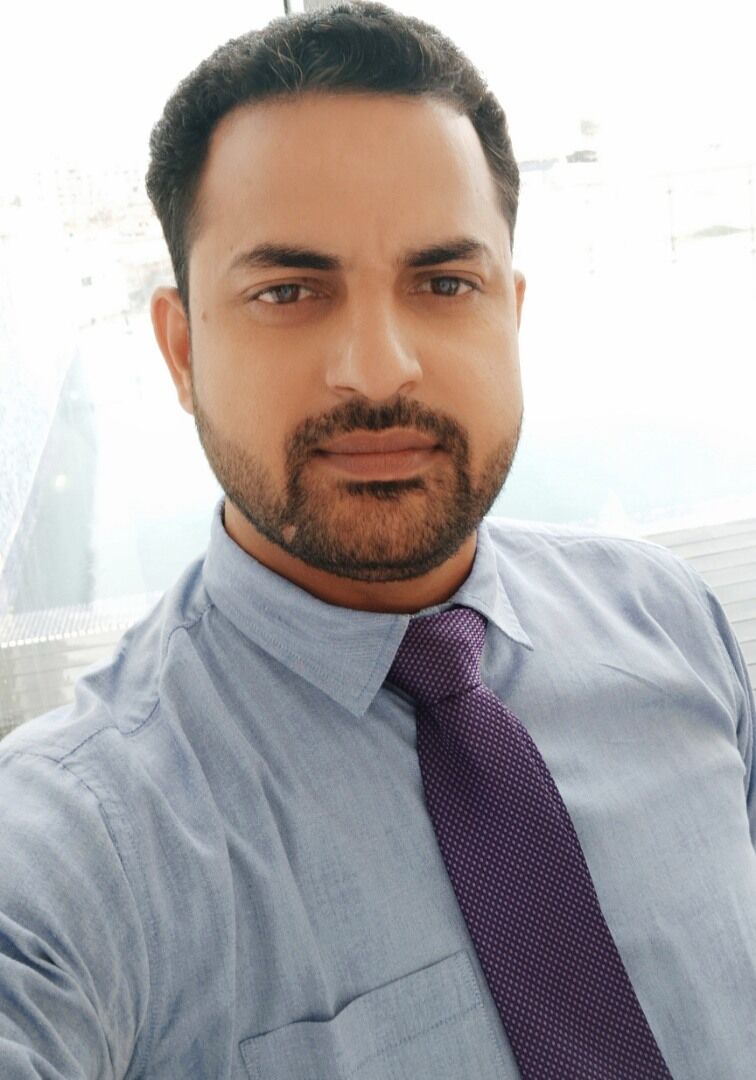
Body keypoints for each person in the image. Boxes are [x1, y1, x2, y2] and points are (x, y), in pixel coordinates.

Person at [1, 2, 754, 1076]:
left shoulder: (670, 621)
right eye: (289, 291)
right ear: (180, 350)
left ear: (511, 313)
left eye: (445, 284)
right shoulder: (87, 839)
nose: (379, 365)